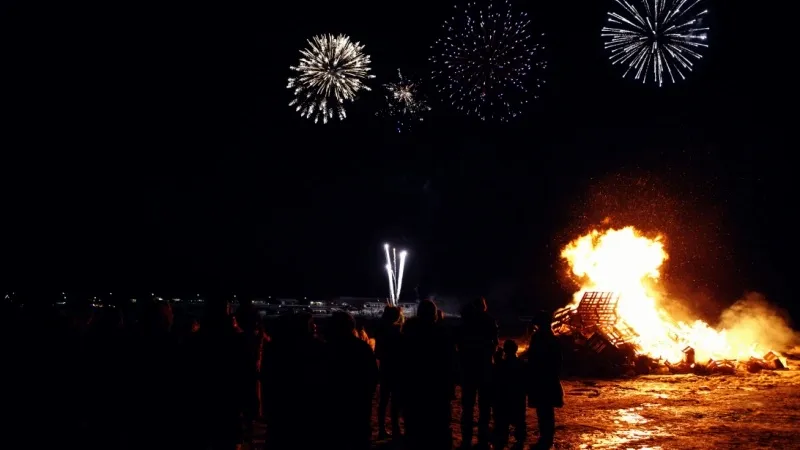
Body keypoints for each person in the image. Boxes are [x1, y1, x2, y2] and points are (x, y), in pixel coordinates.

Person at [402, 299, 457, 450]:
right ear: (434, 314)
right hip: (437, 386)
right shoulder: (442, 333)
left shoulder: (408, 333)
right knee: (438, 424)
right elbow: (451, 360)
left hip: (414, 385)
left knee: (414, 424)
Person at [325, 311, 379, 450]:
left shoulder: (327, 348)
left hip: (335, 404)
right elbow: (373, 373)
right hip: (359, 401)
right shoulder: (362, 347)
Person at [456, 297, 498, 449]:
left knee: (467, 405)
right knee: (485, 406)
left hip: (468, 368)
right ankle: (483, 438)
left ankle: (466, 439)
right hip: (484, 368)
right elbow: (495, 343)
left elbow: (459, 344)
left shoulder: (465, 322)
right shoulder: (489, 321)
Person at [527, 311, 564, 450]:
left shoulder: (538, 338)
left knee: (543, 411)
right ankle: (547, 438)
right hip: (550, 379)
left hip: (540, 379)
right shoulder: (554, 339)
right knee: (548, 411)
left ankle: (545, 439)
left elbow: (533, 359)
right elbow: (558, 361)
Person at [375, 305, 404, 439]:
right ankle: (395, 428)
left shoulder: (380, 331)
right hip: (397, 370)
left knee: (383, 401)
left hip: (385, 369)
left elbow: (378, 353)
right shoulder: (397, 332)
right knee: (395, 401)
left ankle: (382, 429)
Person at [493, 340, 528, 450]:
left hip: (503, 397)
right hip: (517, 396)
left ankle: (502, 438)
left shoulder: (501, 365)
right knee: (519, 419)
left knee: (503, 420)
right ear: (516, 349)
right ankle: (520, 438)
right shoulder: (521, 364)